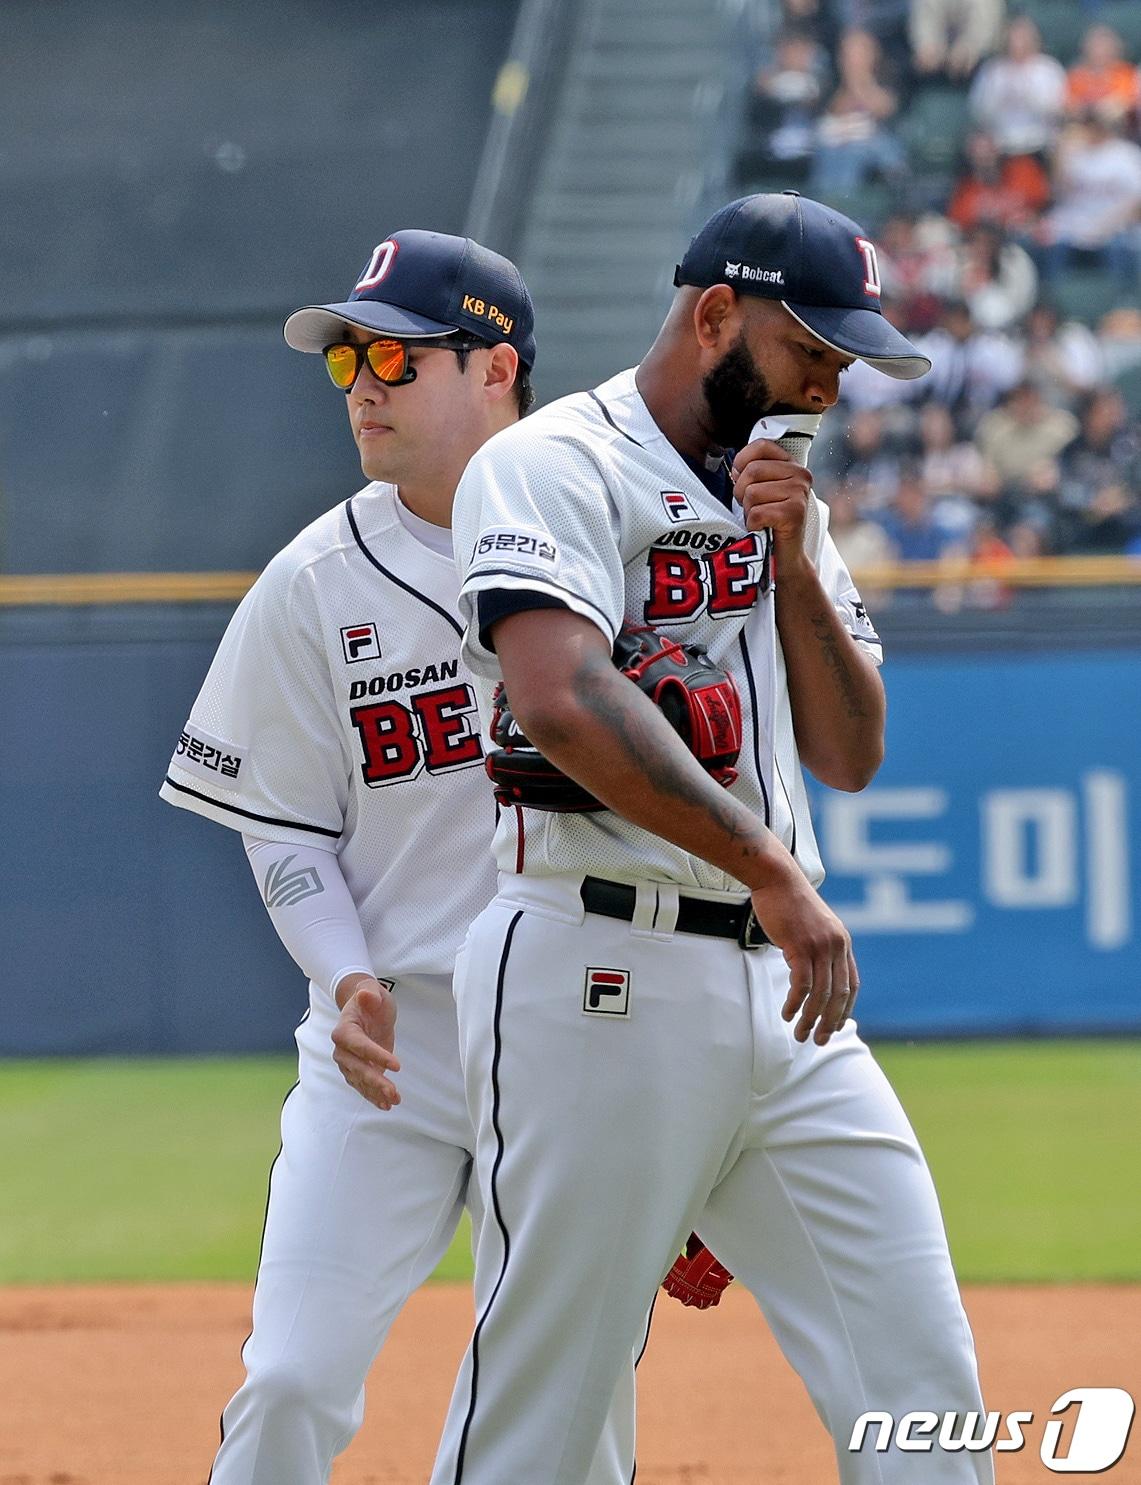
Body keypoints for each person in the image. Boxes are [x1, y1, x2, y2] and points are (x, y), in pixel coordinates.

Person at [424, 191, 992, 1482]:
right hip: (592, 973)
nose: (831, 386)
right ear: (716, 314)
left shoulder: (781, 493)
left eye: (846, 364)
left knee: (920, 1382)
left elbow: (849, 750)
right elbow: (562, 697)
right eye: (812, 352)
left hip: (783, 1006)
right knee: (545, 1417)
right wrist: (774, 868)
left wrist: (788, 563)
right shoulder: (551, 463)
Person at [158, 230, 640, 1485]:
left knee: (567, 1417)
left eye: (392, 353)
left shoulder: (614, 531)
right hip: (391, 1050)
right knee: (291, 1381)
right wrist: (340, 971)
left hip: (571, 1037)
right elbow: (284, 821)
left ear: (496, 369)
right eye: (346, 361)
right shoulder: (315, 578)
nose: (361, 382)